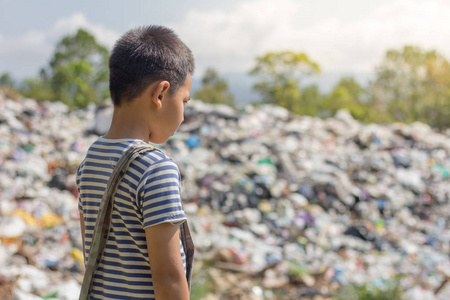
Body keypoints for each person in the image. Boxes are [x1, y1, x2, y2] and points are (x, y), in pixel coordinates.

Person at [76, 25, 194, 300]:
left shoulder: (89, 162)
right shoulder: (156, 169)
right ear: (161, 94)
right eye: (184, 101)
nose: (184, 115)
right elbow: (168, 277)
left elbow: (90, 253)